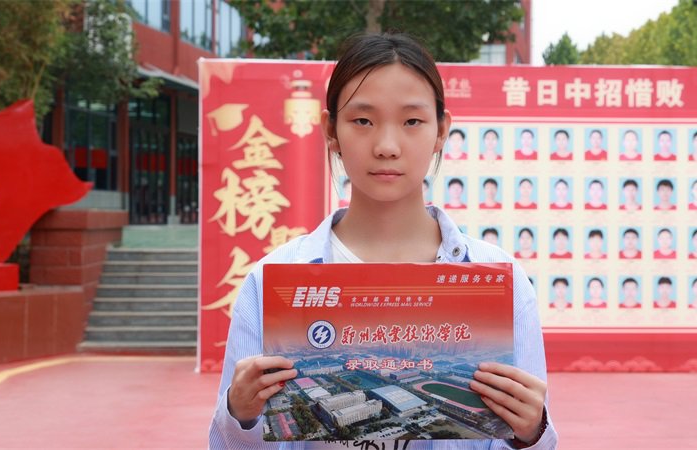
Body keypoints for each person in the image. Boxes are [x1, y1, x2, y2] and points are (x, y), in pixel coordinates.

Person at [209, 33, 557, 449]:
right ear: (331, 130)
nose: (387, 146)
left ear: (441, 131)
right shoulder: (272, 281)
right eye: (363, 121)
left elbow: (525, 438)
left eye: (412, 122)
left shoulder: (501, 281)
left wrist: (531, 433)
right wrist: (240, 414)